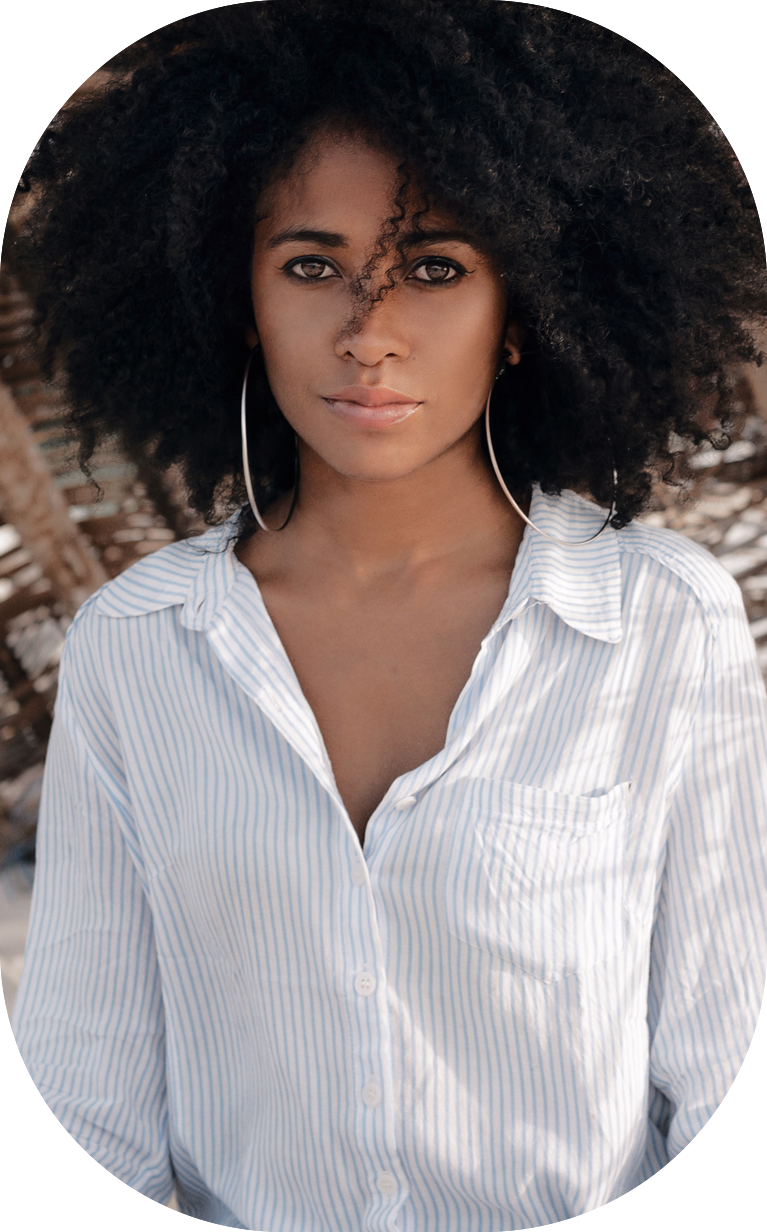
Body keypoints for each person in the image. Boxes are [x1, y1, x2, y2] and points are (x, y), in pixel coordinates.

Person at [6, 1, 767, 1227]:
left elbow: (741, 1085)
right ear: (234, 295)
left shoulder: (656, 624)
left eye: (433, 268)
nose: (368, 333)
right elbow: (80, 1118)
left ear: (522, 310)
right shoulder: (138, 650)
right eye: (311, 266)